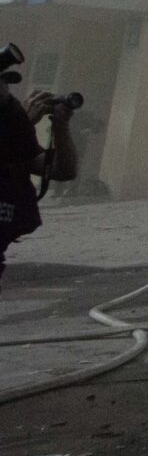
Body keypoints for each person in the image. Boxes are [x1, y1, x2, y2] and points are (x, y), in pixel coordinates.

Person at [0, 59, 79, 292]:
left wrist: (61, 128)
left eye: (4, 81)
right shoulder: (15, 125)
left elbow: (61, 170)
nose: (5, 88)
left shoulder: (13, 124)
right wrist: (22, 123)